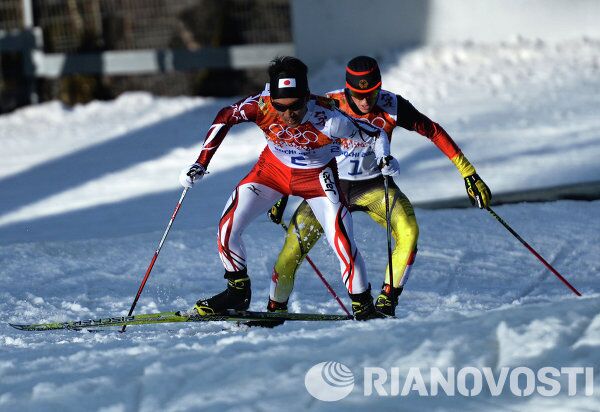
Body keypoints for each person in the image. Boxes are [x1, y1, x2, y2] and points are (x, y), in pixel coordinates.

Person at [179, 56, 401, 320]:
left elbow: (375, 134)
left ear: (307, 97)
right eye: (280, 107)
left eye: (295, 106)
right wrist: (201, 163)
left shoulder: (329, 117)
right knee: (227, 228)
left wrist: (385, 157)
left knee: (341, 240)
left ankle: (363, 305)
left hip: (317, 178)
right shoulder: (260, 106)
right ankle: (237, 292)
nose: (287, 115)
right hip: (272, 172)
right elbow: (225, 117)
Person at [268, 56, 491, 316]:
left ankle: (386, 301)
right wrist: (280, 191)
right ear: (347, 88)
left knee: (409, 232)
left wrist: (468, 173)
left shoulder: (392, 105)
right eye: (358, 95)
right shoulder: (327, 103)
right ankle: (275, 310)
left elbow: (433, 131)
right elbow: (289, 140)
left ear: (380, 86)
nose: (365, 102)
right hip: (326, 187)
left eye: (371, 94)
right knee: (291, 250)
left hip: (374, 187)